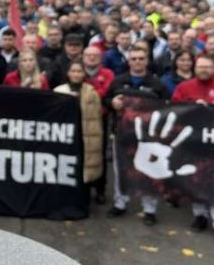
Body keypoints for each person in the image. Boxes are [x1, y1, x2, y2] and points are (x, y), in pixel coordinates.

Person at [172, 54, 214, 243]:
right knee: (195, 180)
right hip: (191, 143)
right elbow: (174, 111)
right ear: (195, 68)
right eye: (200, 67)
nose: (204, 70)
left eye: (207, 67)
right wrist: (192, 108)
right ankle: (200, 215)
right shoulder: (183, 88)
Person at [106, 45, 169, 225]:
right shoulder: (118, 81)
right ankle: (120, 203)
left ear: (147, 61)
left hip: (148, 137)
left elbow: (169, 106)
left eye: (141, 58)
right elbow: (105, 99)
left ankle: (149, 209)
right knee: (121, 171)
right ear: (128, 61)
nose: (137, 62)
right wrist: (111, 102)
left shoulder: (157, 84)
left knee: (149, 171)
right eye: (133, 58)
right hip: (122, 134)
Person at [53, 61, 104, 204]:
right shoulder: (59, 91)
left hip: (85, 136)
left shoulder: (91, 92)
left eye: (79, 71)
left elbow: (97, 116)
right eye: (73, 71)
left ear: (83, 74)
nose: (76, 74)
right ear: (68, 73)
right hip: (66, 135)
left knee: (84, 170)